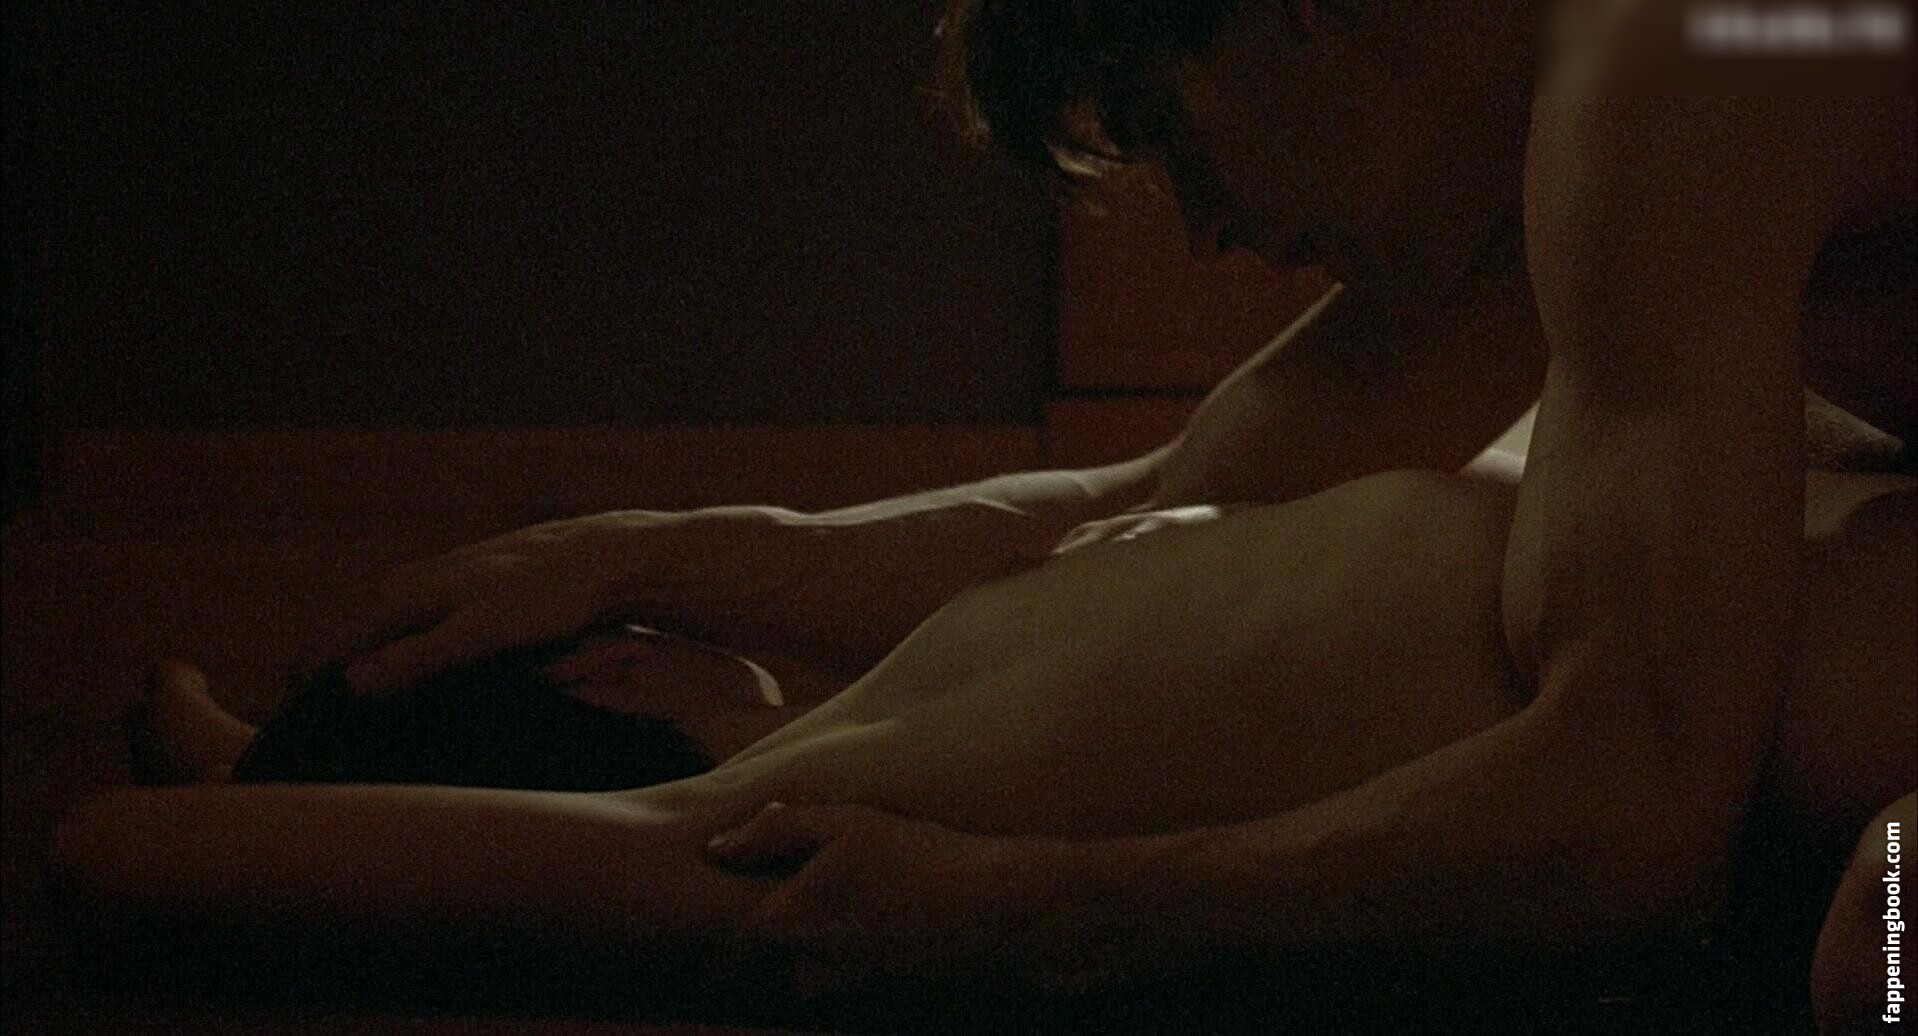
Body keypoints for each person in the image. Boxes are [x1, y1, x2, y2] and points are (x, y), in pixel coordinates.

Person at [56, 0, 1915, 1025]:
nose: (1206, 231)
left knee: (1879, 916)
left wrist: (1033, 919)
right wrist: (671, 550)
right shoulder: (1562, 151)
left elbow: (1633, 803)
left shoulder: (1679, 64)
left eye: (1167, 138)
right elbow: (1161, 499)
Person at [56, 464, 1916, 1028]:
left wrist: (250, 771)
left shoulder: (914, 709)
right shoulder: (807, 813)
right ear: (617, 678)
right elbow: (108, 856)